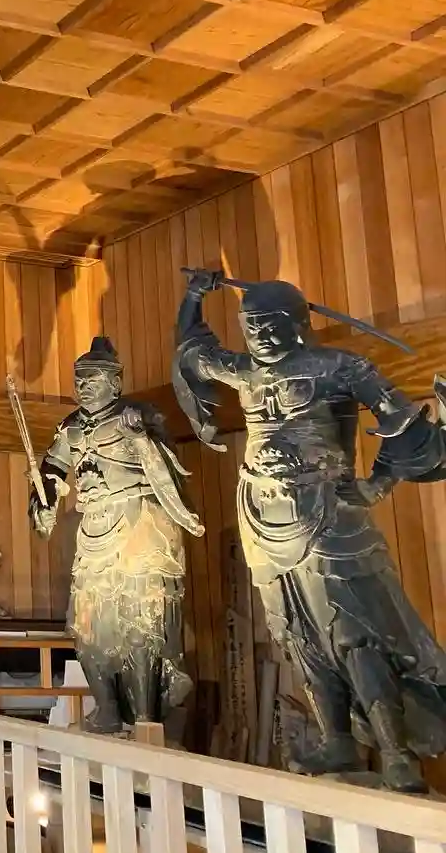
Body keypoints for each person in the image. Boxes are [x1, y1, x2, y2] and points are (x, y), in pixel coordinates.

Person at [176, 271, 446, 793]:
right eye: (250, 326)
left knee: (353, 628)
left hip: (329, 511)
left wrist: (377, 485)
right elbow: (194, 353)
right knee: (295, 630)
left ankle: (396, 753)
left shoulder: (339, 366)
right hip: (261, 514)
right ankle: (336, 738)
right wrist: (193, 297)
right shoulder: (245, 370)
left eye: (271, 324)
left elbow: (404, 424)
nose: (259, 336)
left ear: (299, 322)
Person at [29, 337, 203, 734]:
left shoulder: (138, 415)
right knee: (88, 625)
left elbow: (168, 470)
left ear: (116, 383)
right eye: (79, 380)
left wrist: (140, 438)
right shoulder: (71, 428)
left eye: (92, 379)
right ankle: (107, 708)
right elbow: (51, 470)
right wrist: (44, 498)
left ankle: (145, 716)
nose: (83, 387)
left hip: (140, 523)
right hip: (94, 528)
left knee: (142, 623)